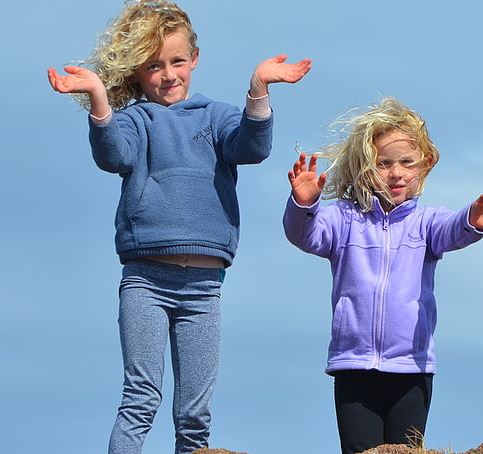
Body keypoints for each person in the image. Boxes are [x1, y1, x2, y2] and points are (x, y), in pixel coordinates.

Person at [47, 1, 311, 453]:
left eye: (177, 61)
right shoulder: (134, 120)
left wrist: (259, 88)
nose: (168, 75)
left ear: (195, 60)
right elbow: (113, 155)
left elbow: (252, 147)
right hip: (146, 281)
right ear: (136, 71)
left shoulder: (217, 116)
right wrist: (97, 99)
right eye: (154, 66)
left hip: (205, 287)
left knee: (194, 413)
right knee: (140, 398)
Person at [283, 97, 483, 454]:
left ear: (424, 165)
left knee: (406, 451)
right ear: (365, 167)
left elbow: (452, 229)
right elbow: (305, 236)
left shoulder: (426, 222)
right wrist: (304, 204)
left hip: (412, 368)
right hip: (354, 366)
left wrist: (471, 219)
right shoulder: (345, 219)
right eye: (384, 164)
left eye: (407, 163)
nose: (396, 173)